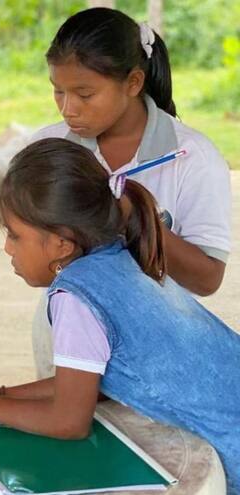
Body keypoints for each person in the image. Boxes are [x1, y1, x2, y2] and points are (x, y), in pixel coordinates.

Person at [0, 138, 240, 493]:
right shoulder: (117, 257)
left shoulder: (75, 296)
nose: (7, 248)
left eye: (14, 235)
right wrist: (1, 393)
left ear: (62, 243)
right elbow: (89, 384)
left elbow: (70, 420)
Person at [30, 7, 232, 377]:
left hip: (160, 352)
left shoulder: (190, 158)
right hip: (69, 342)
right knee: (75, 426)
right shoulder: (49, 148)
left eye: (85, 94)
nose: (68, 108)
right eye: (58, 91)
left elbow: (207, 279)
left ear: (134, 82)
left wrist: (135, 218)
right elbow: (28, 255)